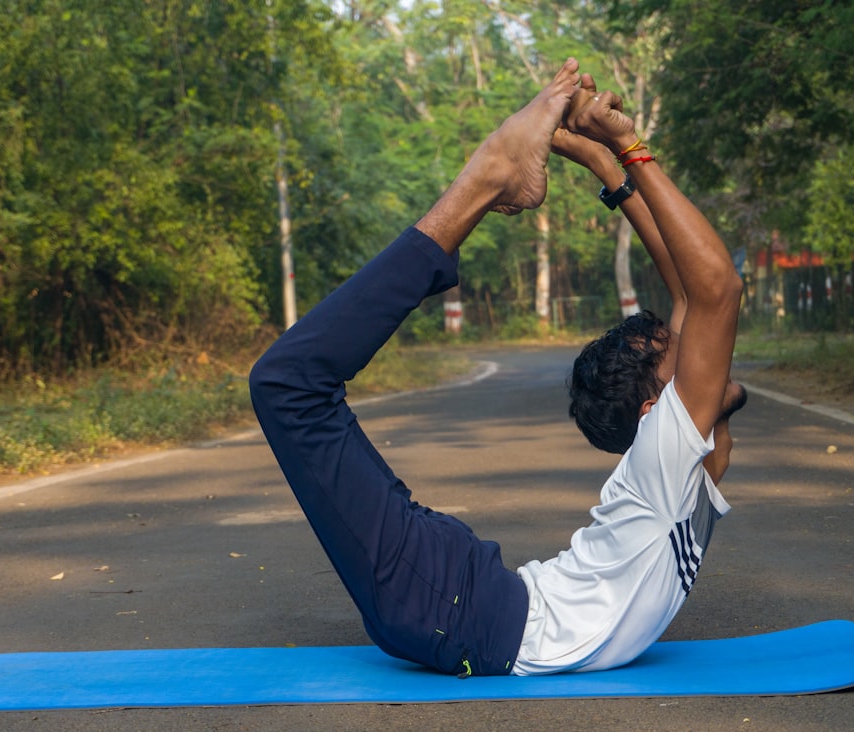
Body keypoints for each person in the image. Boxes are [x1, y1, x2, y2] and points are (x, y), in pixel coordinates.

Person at [249, 57, 746, 678]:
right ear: (655, 412)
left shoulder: (679, 466)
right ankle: (486, 175)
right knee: (287, 384)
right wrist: (611, 154)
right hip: (460, 605)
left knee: (288, 385)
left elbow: (703, 293)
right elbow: (709, 290)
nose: (695, 345)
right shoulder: (666, 455)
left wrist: (616, 157)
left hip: (457, 605)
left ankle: (489, 176)